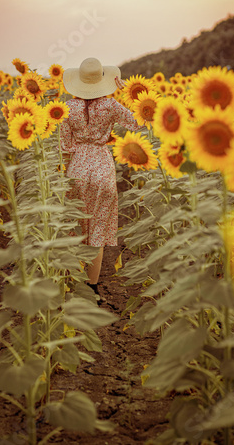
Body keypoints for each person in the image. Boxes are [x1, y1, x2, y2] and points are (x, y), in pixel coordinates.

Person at [61, 57, 142, 302]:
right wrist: (128, 92)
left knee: (76, 227)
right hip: (102, 168)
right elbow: (139, 122)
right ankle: (93, 289)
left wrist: (67, 169)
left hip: (77, 169)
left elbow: (65, 146)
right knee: (97, 231)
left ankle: (74, 286)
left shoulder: (67, 108)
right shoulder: (111, 105)